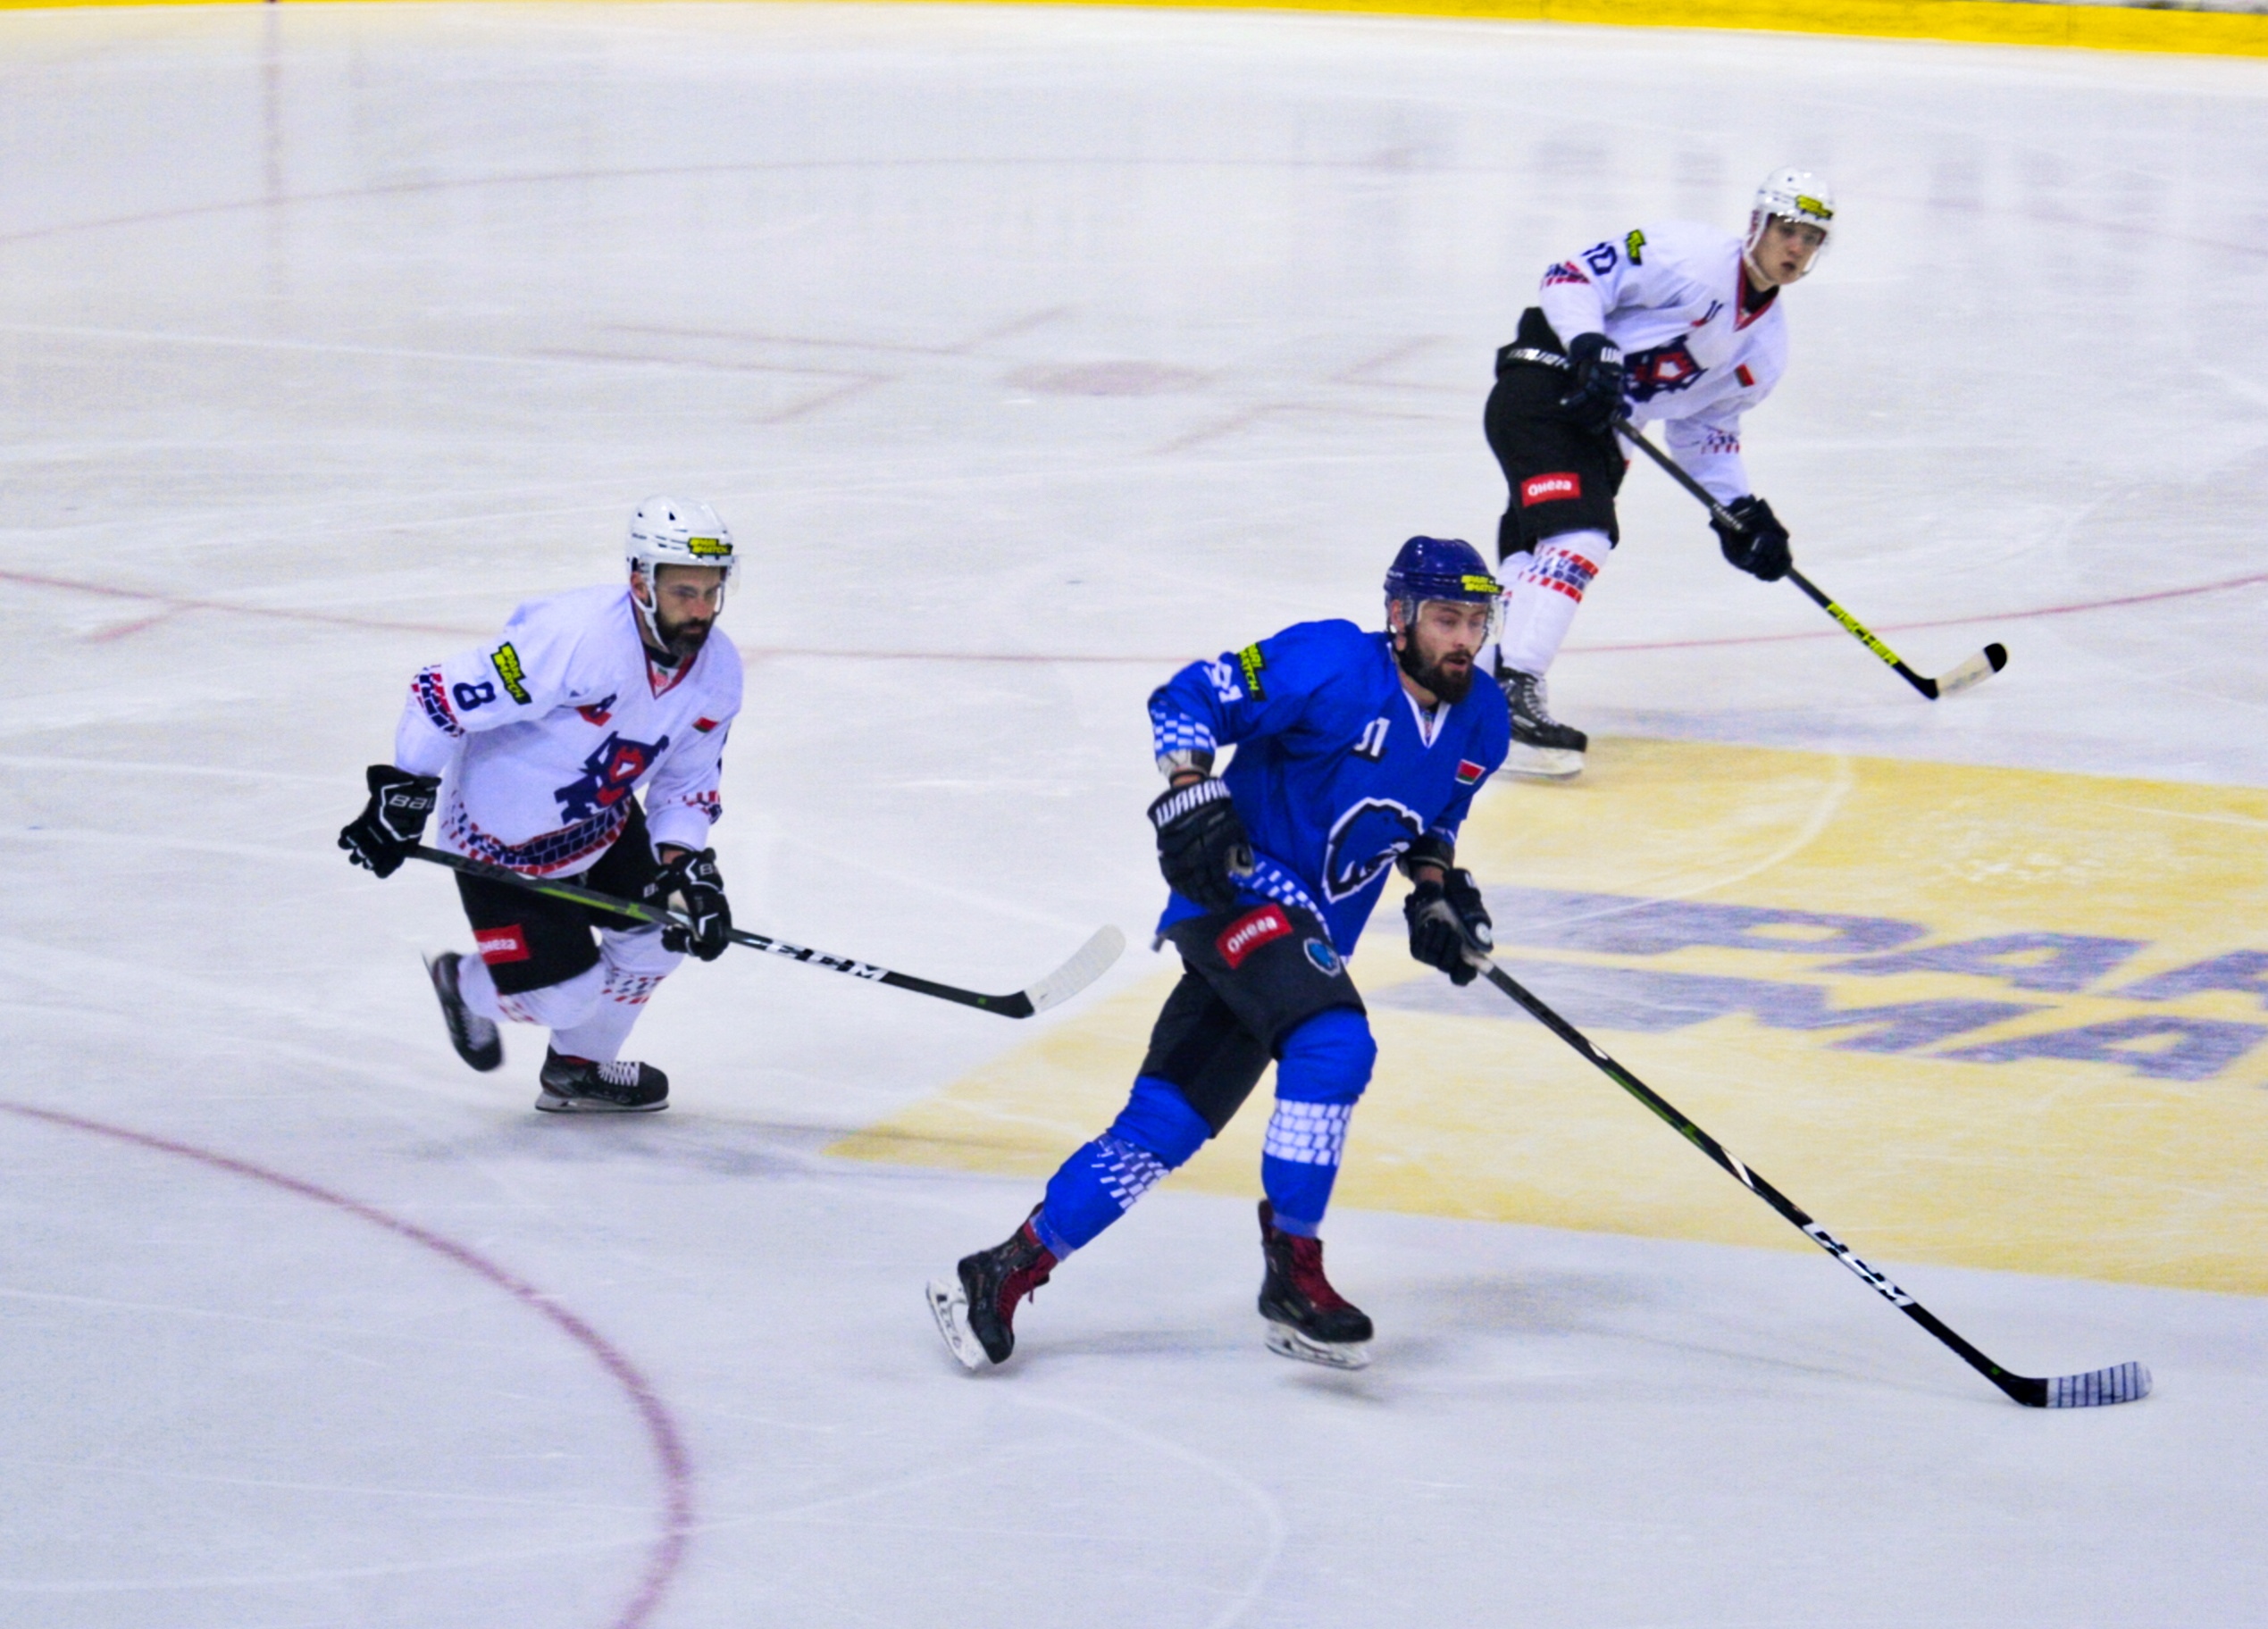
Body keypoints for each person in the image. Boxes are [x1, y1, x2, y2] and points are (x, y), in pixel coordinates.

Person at [928, 537, 1510, 1373]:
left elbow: (1435, 821)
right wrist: (1189, 786)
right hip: (1237, 892)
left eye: (1476, 622)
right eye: (1445, 618)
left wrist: (1435, 891)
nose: (1463, 638)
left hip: (1304, 941)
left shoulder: (1483, 717)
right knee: (1334, 1045)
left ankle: (999, 1272)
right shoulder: (1328, 661)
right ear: (1399, 615)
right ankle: (1293, 1275)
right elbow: (1188, 696)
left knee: (1160, 1126)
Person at [338, 497, 744, 1112]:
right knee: (566, 997)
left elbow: (686, 784)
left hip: (602, 823)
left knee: (665, 936)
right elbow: (437, 697)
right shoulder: (570, 639)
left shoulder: (718, 672)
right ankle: (465, 985)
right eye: (684, 592)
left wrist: (684, 867)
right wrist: (402, 796)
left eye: (712, 592)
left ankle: (576, 1069)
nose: (701, 610)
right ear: (642, 582)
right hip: (501, 843)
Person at [1483, 168, 1835, 779]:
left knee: (1538, 551)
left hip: (1605, 431)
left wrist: (1740, 511)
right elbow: (1569, 277)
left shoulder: (1765, 351)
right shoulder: (1686, 253)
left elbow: (1703, 433)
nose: (1796, 248)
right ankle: (1512, 695)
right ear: (1757, 223)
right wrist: (1589, 344)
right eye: (1787, 230)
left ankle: (1482, 686)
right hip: (1551, 380)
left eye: (1810, 239)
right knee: (1581, 537)